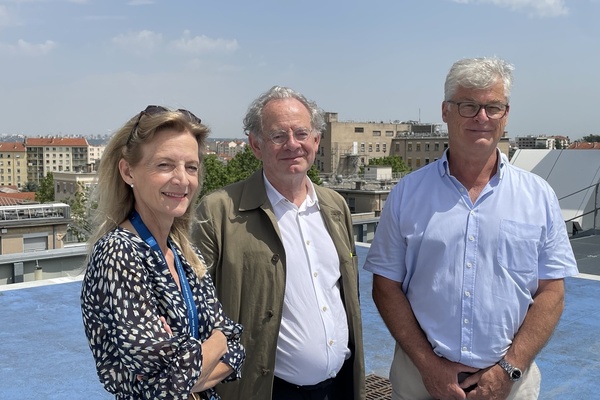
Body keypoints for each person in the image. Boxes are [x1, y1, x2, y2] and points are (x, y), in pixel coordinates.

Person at [364, 57, 578, 400]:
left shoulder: (538, 196)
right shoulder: (407, 193)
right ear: (446, 111)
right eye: (468, 106)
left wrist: (509, 368)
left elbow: (552, 291)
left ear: (505, 115)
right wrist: (429, 366)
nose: (482, 117)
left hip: (511, 383)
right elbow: (385, 286)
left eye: (493, 107)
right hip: (420, 381)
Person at [193, 86, 366, 400]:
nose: (292, 145)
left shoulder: (335, 207)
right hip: (266, 391)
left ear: (316, 140)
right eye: (277, 136)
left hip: (338, 387)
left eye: (302, 133)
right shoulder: (219, 211)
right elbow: (192, 307)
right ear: (256, 145)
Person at [80, 105, 245, 400]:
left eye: (191, 167)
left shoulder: (184, 252)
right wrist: (213, 344)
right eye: (165, 165)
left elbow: (234, 348)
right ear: (128, 171)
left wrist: (196, 355)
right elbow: (164, 386)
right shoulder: (118, 254)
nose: (182, 180)